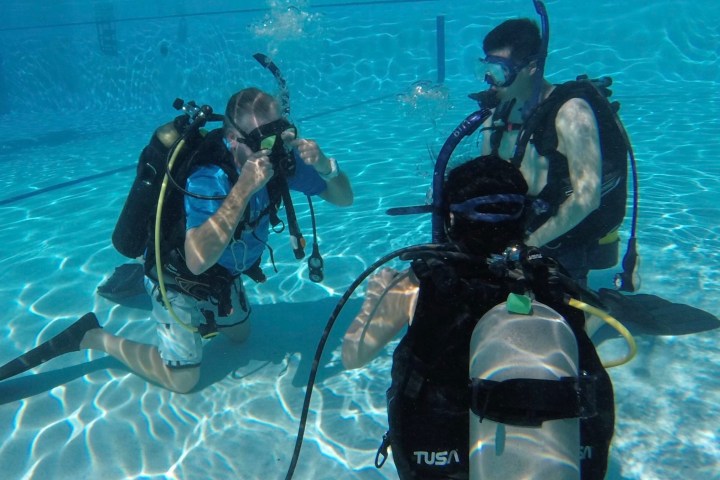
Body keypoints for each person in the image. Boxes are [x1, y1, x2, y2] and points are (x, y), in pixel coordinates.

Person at [0, 87, 353, 393]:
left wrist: (324, 165)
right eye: (264, 141)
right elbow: (197, 259)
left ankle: (143, 287)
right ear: (233, 140)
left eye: (283, 136)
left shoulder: (276, 161)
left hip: (222, 275)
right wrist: (244, 189)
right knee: (183, 381)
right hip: (180, 276)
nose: (275, 151)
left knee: (242, 336)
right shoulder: (208, 177)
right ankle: (95, 336)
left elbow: (344, 197)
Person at [342, 155, 615, 480]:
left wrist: (377, 294)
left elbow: (353, 355)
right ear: (524, 216)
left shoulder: (416, 284)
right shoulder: (552, 280)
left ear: (451, 219)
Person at [474, 16, 629, 286]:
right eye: (486, 69)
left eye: (500, 70)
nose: (490, 80)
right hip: (518, 231)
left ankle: (604, 305)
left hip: (559, 239)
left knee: (546, 322)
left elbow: (587, 198)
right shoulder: (498, 113)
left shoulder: (572, 114)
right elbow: (486, 175)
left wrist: (527, 246)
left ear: (532, 67)